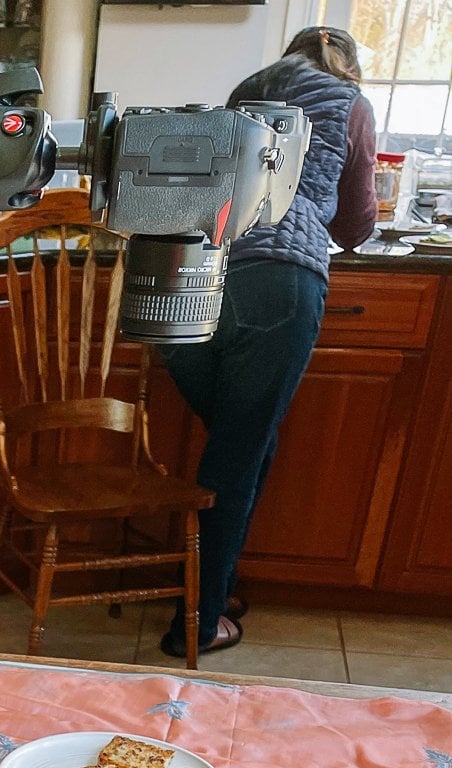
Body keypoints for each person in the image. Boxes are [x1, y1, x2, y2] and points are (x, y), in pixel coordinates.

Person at [158, 26, 377, 658]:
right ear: (347, 64)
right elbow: (355, 222)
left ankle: (217, 588)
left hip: (192, 276)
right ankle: (193, 625)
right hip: (277, 285)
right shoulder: (349, 102)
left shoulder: (244, 93)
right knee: (238, 453)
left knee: (247, 444)